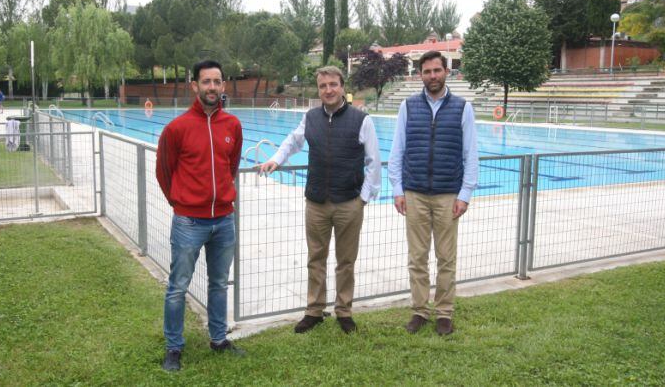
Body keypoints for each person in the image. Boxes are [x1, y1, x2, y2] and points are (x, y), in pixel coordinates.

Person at [259, 66, 381, 335]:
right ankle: (314, 310)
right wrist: (276, 159)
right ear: (319, 88)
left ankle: (344, 311)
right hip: (316, 202)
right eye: (323, 85)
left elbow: (374, 162)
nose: (328, 90)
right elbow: (293, 142)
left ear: (342, 86)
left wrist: (363, 198)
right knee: (316, 259)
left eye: (333, 84)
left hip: (349, 201)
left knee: (346, 261)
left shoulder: (362, 120)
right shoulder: (311, 117)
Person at [155, 60, 244, 372]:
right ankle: (174, 347)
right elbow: (163, 172)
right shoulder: (176, 128)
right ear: (194, 86)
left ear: (223, 86)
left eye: (217, 82)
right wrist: (181, 203)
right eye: (206, 82)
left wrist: (221, 198)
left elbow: (231, 168)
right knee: (178, 286)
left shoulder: (232, 125)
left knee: (219, 283)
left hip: (223, 220)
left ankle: (218, 339)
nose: (212, 87)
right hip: (189, 222)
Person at [387, 50, 479, 336]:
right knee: (417, 257)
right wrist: (397, 189)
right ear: (420, 75)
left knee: (446, 258)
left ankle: (444, 313)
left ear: (445, 72)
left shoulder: (462, 107)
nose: (432, 76)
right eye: (427, 72)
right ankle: (419, 310)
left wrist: (464, 194)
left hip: (447, 195)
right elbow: (397, 150)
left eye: (437, 70)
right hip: (414, 193)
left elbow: (471, 154)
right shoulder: (408, 106)